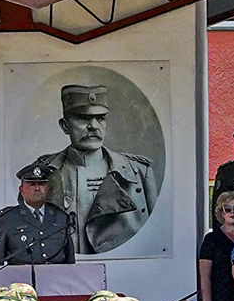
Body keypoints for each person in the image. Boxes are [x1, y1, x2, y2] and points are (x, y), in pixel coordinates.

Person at [42, 81, 159, 254]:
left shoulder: (139, 172)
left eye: (101, 118)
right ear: (65, 126)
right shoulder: (44, 174)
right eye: (83, 118)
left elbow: (155, 235)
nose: (94, 126)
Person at [0, 163, 77, 266]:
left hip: (56, 275)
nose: (37, 188)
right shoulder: (6, 219)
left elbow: (70, 262)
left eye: (42, 184)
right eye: (32, 184)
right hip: (20, 276)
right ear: (21, 190)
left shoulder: (61, 217)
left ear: (47, 188)